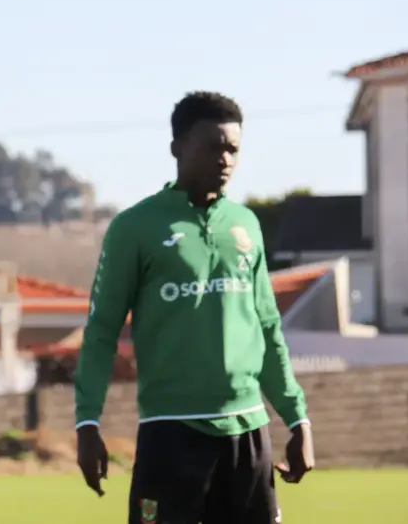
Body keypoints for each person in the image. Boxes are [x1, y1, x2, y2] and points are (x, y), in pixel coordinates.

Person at [74, 91, 315, 524]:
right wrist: (87, 423)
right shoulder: (135, 227)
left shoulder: (246, 225)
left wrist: (298, 421)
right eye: (213, 146)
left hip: (248, 430)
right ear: (177, 147)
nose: (225, 159)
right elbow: (101, 331)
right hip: (171, 433)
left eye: (233, 149)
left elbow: (267, 329)